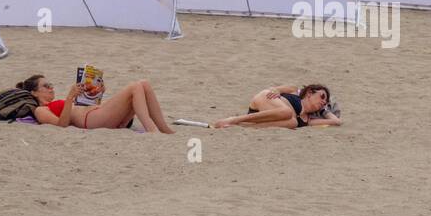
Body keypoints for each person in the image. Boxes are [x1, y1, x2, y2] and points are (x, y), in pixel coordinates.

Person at [19, 74, 175, 133]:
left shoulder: (54, 104)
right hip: (92, 120)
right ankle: (152, 130)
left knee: (144, 84)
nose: (51, 88)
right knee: (136, 86)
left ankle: (164, 129)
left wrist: (97, 94)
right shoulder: (40, 110)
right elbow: (61, 126)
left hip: (98, 114)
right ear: (34, 93)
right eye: (46, 86)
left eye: (51, 84)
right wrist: (69, 98)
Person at [213, 84, 340, 130]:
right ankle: (234, 119)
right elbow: (274, 89)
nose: (324, 101)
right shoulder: (295, 91)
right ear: (309, 92)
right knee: (287, 112)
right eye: (322, 97)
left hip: (265, 118)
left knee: (293, 122)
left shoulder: (308, 120)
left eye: (326, 102)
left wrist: (323, 109)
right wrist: (276, 90)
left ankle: (242, 126)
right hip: (267, 100)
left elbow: (336, 121)